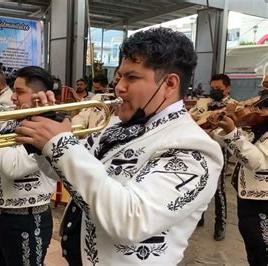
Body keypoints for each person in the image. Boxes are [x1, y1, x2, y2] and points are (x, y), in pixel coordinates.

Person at [15, 27, 223, 264]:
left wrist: (62, 143)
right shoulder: (116, 125)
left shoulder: (194, 148)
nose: (119, 87)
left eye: (131, 78)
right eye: (119, 77)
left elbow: (131, 221)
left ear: (169, 84)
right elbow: (67, 172)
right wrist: (41, 136)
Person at [0, 66, 57, 265]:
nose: (13, 97)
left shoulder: (47, 128)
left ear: (39, 95)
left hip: (29, 221)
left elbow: (13, 167)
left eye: (20, 92)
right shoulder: (12, 122)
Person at [209, 86, 267, 265]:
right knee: (254, 250)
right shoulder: (259, 128)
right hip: (249, 200)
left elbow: (257, 162)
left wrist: (232, 133)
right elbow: (232, 143)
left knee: (262, 252)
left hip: (263, 203)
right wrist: (222, 127)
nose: (256, 109)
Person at [192, 74, 238, 241]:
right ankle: (199, 216)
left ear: (228, 89)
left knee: (219, 189)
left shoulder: (233, 106)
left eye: (218, 89)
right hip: (201, 148)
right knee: (200, 183)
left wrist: (213, 133)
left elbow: (232, 130)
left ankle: (221, 223)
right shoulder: (203, 102)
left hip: (219, 149)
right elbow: (191, 116)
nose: (215, 91)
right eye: (213, 88)